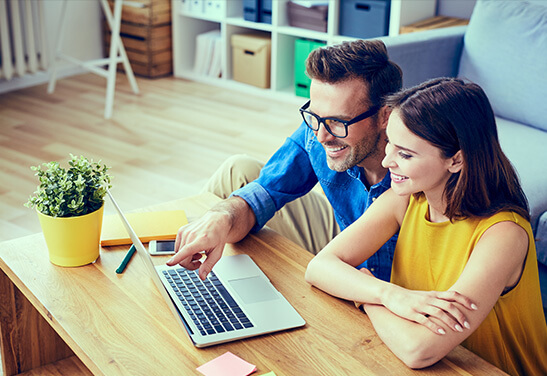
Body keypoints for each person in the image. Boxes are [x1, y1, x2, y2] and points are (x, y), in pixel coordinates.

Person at [305, 78, 547, 376]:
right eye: (390, 143)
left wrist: (365, 296)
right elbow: (319, 267)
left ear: (456, 160)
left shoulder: (503, 235)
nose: (387, 159)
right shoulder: (405, 200)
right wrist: (389, 295)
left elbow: (419, 350)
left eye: (405, 154)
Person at [167, 39, 403, 282]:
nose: (322, 136)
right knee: (239, 170)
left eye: (338, 122)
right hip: (342, 233)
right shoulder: (319, 131)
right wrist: (221, 217)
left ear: (385, 115)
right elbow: (267, 190)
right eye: (315, 117)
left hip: (395, 278)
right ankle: (195, 266)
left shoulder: (418, 163)